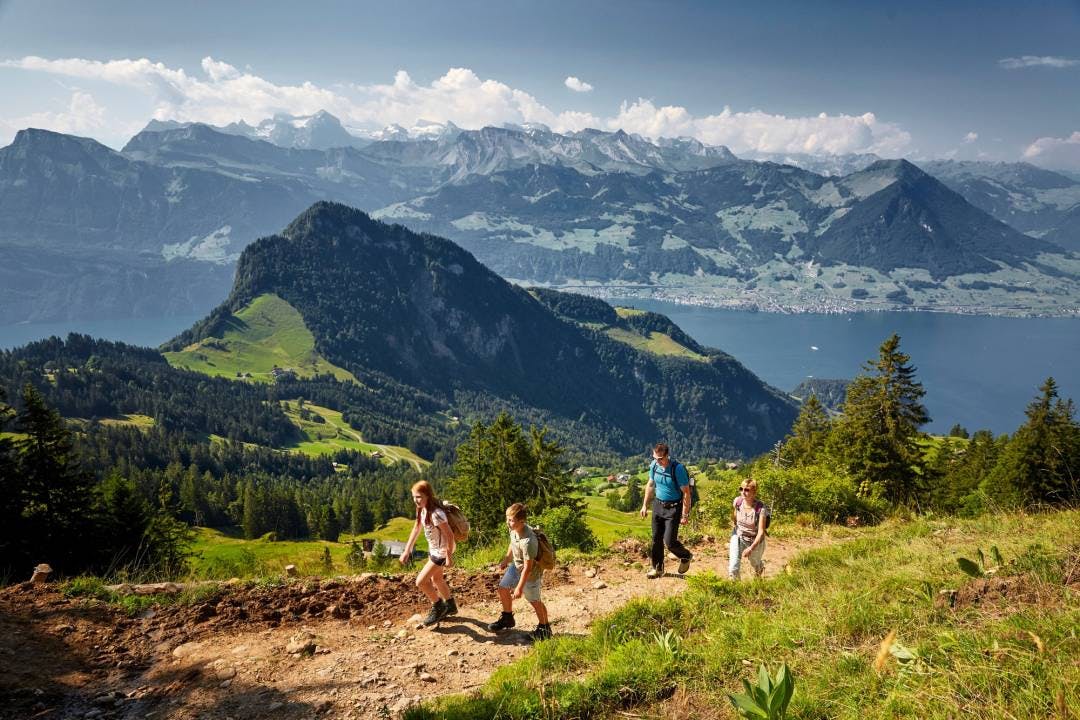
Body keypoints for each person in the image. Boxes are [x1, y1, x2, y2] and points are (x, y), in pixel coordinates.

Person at [486, 503, 552, 641]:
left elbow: (528, 568)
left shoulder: (529, 541)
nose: (508, 523)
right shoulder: (514, 529)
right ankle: (507, 618)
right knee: (503, 588)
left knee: (534, 601)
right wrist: (506, 559)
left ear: (522, 521)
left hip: (530, 575)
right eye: (507, 519)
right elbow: (512, 543)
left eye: (511, 520)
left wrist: (519, 588)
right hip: (516, 567)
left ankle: (545, 629)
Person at [400, 480, 458, 625]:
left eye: (419, 497)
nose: (416, 500)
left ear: (427, 496)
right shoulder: (422, 509)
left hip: (442, 552)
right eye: (414, 496)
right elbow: (416, 528)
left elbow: (449, 536)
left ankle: (438, 606)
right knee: (436, 580)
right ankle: (450, 606)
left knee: (420, 581)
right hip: (434, 550)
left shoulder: (436, 514)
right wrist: (407, 550)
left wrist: (449, 557)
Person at [639, 442, 693, 578]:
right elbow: (650, 485)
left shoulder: (678, 469)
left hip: (674, 509)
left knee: (669, 542)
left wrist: (685, 514)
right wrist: (645, 505)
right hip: (658, 505)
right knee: (656, 538)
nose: (658, 461)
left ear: (667, 456)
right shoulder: (654, 466)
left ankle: (685, 556)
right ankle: (658, 568)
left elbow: (686, 492)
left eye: (661, 459)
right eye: (655, 458)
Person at [729, 478, 769, 580]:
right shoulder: (737, 502)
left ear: (754, 492)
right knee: (733, 566)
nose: (743, 492)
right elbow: (735, 518)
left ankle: (760, 569)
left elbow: (761, 532)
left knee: (755, 564)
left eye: (747, 490)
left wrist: (751, 548)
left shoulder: (761, 509)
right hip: (738, 536)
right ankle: (735, 589)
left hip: (755, 540)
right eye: (741, 489)